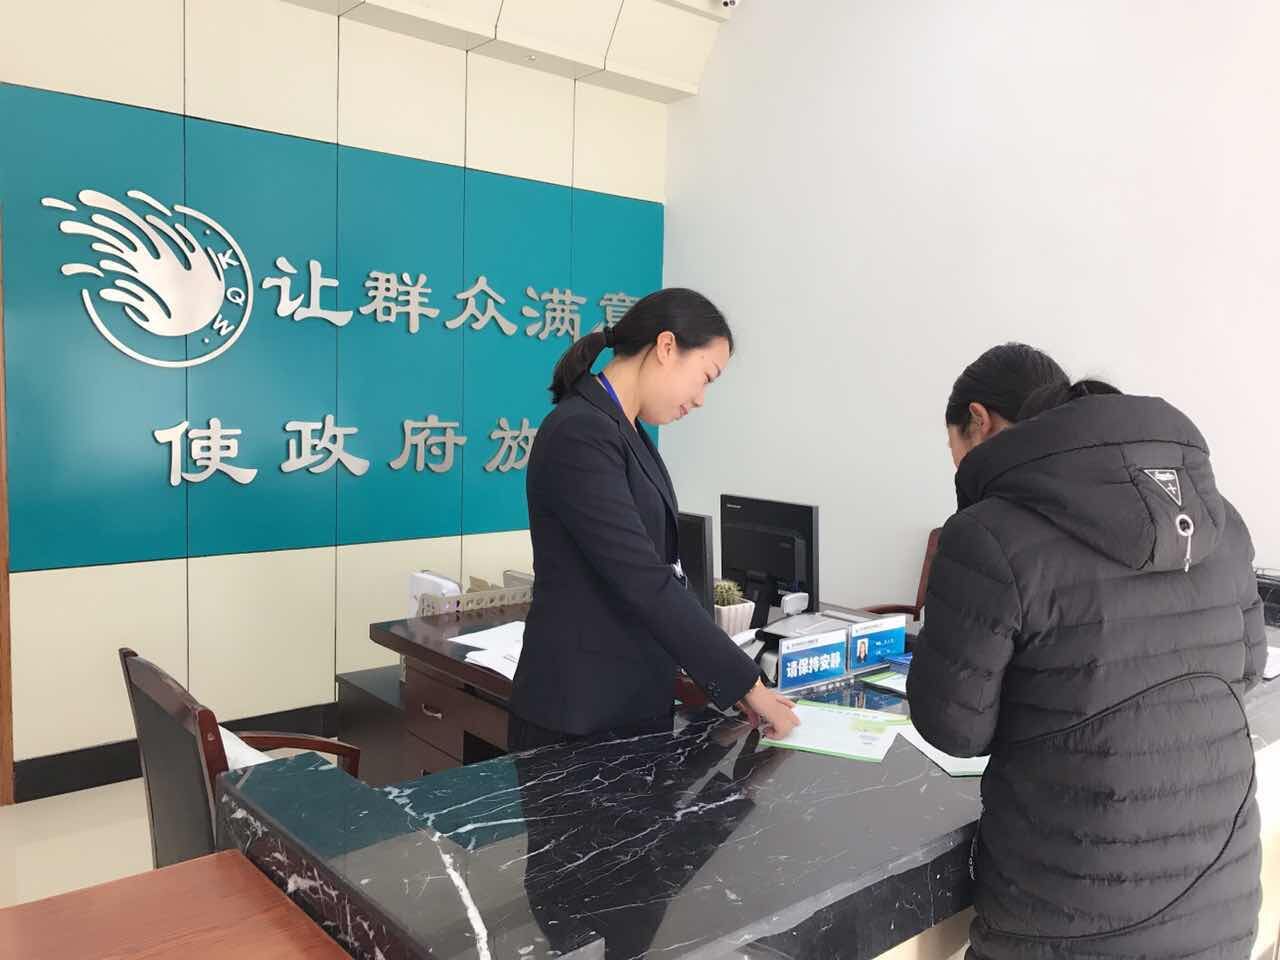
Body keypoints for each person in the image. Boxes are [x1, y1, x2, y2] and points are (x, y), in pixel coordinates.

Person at [908, 343, 1265, 960]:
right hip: (1219, 905)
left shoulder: (989, 533)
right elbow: (1249, 669)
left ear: (979, 423)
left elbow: (954, 729)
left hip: (1067, 914)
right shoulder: (1220, 523)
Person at [508, 288, 800, 750]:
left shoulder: (624, 429)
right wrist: (748, 685)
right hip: (577, 713)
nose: (700, 399)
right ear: (666, 347)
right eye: (705, 377)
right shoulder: (580, 432)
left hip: (627, 701)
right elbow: (643, 578)